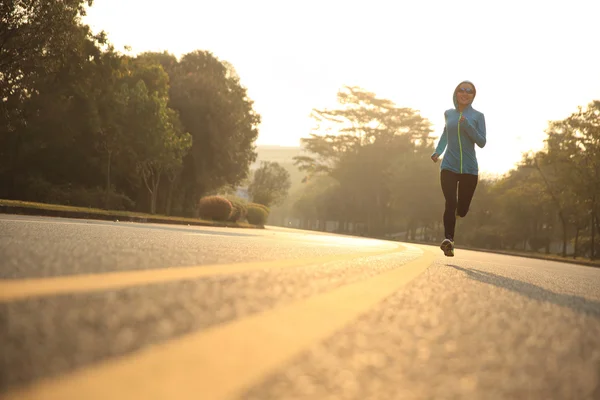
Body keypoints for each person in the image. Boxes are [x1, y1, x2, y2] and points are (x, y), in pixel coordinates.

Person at [431, 80, 487, 257]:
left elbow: (482, 142)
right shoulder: (449, 114)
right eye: (462, 90)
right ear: (456, 93)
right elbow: (445, 134)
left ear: (473, 96)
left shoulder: (478, 116)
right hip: (448, 166)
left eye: (469, 91)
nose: (465, 93)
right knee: (450, 202)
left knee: (461, 210)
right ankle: (449, 240)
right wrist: (437, 152)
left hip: (469, 170)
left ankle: (457, 217)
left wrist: (467, 126)